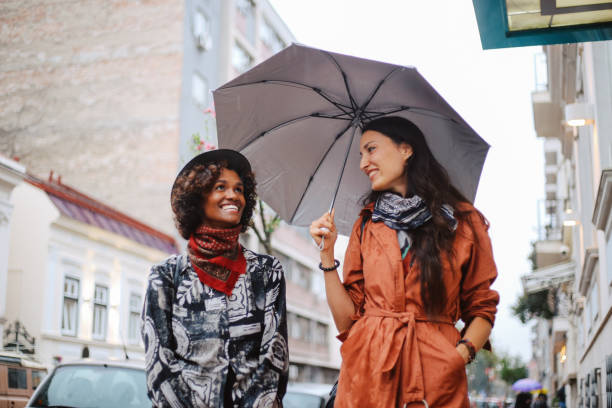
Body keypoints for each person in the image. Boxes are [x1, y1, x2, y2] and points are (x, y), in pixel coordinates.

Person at [310, 116, 500, 408]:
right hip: (368, 376)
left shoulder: (463, 222)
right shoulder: (367, 224)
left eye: (371, 149)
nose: (363, 163)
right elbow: (348, 321)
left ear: (406, 150)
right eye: (361, 154)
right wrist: (326, 255)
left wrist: (459, 355)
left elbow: (482, 306)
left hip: (435, 375)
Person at [142, 149, 288, 408]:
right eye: (221, 187)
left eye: (239, 189)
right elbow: (159, 364)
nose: (233, 195)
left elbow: (275, 359)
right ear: (197, 199)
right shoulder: (165, 276)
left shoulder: (267, 272)